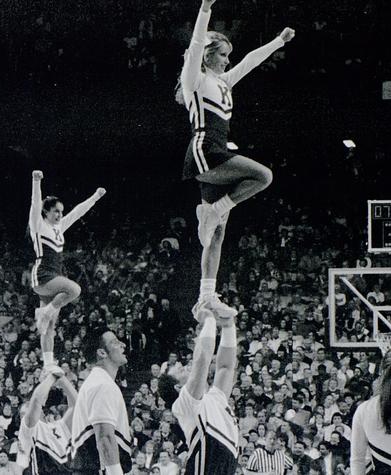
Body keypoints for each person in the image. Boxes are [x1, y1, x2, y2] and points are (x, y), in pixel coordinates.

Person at [176, 0, 294, 320]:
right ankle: (214, 209)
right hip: (205, 151)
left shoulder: (224, 83)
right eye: (223, 55)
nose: (228, 61)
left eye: (228, 56)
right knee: (263, 176)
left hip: (219, 152)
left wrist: (278, 41)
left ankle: (206, 297)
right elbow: (197, 41)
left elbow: (250, 62)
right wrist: (205, 9)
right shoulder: (195, 80)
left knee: (216, 234)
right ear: (208, 56)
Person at [158, 307, 238, 474]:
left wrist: (228, 326)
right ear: (179, 387)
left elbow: (225, 367)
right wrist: (209, 319)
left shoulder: (215, 398)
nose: (186, 367)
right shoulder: (184, 403)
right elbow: (201, 360)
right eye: (180, 371)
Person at [28, 170, 106, 341]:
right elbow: (35, 204)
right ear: (46, 212)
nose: (59, 215)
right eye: (56, 211)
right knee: (75, 290)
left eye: (61, 212)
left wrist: (95, 197)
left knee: (49, 327)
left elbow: (78, 212)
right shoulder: (38, 225)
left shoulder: (59, 227)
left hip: (54, 275)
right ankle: (44, 313)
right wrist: (36, 181)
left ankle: (48, 364)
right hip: (42, 275)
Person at [70, 326, 132, 475]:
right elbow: (105, 438)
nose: (123, 345)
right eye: (115, 342)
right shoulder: (102, 384)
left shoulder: (99, 381)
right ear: (102, 352)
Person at [16, 360, 78, 474]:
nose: (28, 414)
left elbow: (76, 405)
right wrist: (52, 376)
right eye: (24, 414)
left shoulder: (58, 426)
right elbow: (36, 400)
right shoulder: (27, 430)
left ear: (43, 413)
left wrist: (62, 379)